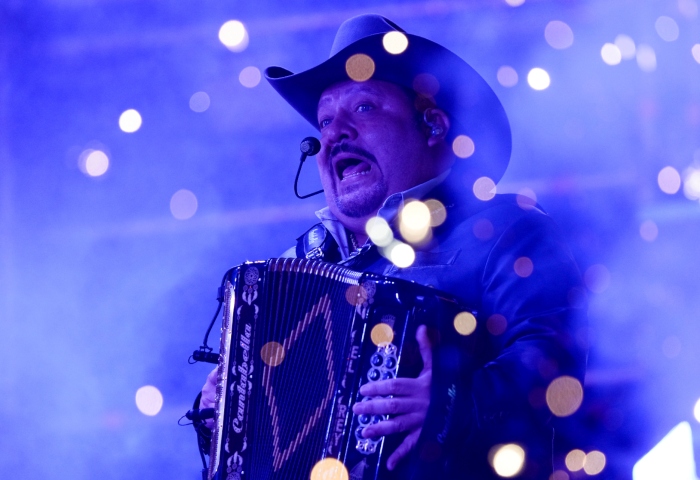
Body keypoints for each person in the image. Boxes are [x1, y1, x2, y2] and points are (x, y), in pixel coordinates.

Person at [201, 14, 586, 479]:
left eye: (363, 108)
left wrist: (451, 403)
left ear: (433, 125)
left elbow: (555, 362)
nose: (333, 134)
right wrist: (219, 412)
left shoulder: (505, 229)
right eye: (324, 122)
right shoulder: (297, 266)